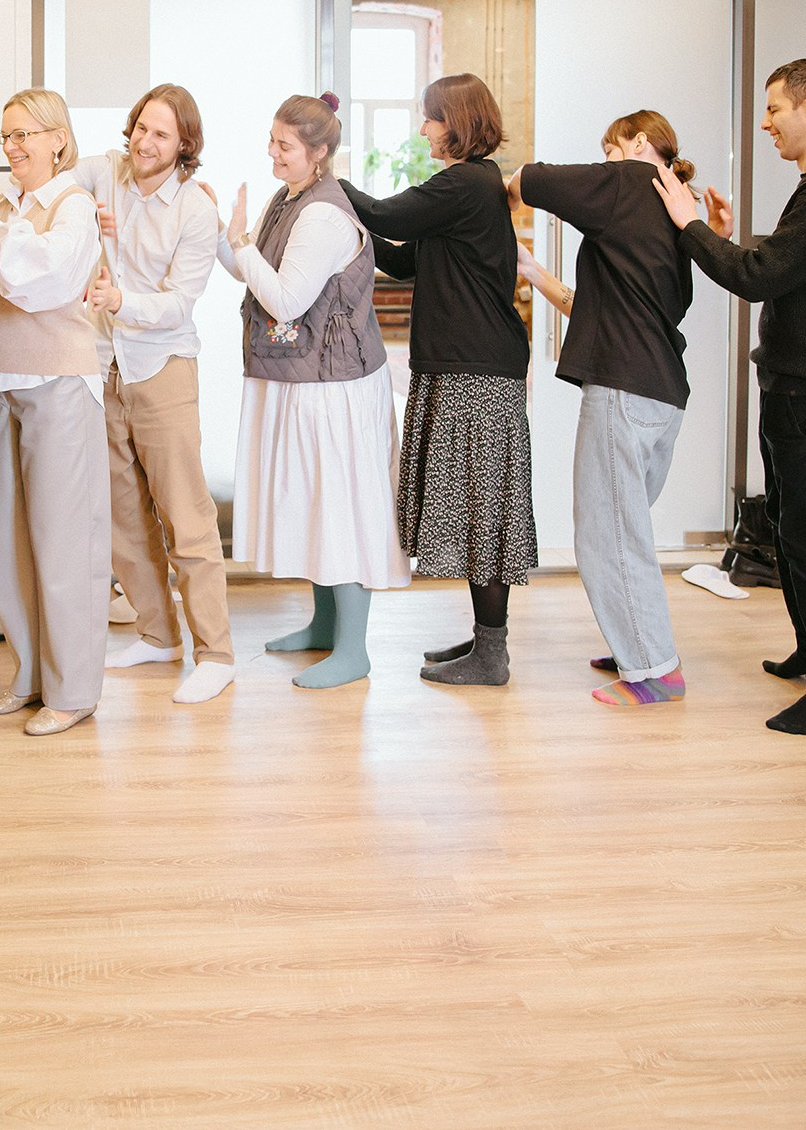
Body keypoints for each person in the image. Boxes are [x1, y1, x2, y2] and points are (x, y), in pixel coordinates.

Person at [651, 58, 806, 735]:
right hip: (796, 382)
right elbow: (789, 271)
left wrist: (690, 225)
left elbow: (759, 277)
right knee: (788, 523)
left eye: (775, 107)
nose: (766, 121)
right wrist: (723, 237)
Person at [341, 74, 537, 687]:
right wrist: (347, 233)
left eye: (429, 119)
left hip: (475, 371)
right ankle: (486, 642)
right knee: (479, 509)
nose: (423, 130)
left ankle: (492, 655)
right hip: (462, 365)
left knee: (483, 511)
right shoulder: (472, 191)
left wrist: (327, 184)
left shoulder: (466, 182)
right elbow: (403, 255)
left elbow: (382, 212)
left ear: (454, 120)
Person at [218, 93, 410, 688]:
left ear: (320, 153)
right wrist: (229, 239)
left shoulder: (324, 214)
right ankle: (325, 626)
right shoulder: (290, 198)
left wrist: (243, 246)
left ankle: (354, 649)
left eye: (285, 145)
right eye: (271, 139)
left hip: (334, 390)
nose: (272, 152)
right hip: (302, 379)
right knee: (314, 499)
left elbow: (285, 298)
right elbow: (262, 275)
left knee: (342, 507)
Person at [509, 111, 696, 707]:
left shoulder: (632, 182)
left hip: (622, 391)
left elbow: (535, 179)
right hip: (660, 394)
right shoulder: (673, 214)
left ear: (640, 145)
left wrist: (496, 185)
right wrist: (535, 273)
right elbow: (604, 306)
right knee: (623, 526)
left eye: (608, 148)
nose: (605, 161)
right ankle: (635, 644)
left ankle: (654, 670)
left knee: (608, 533)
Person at [74, 84, 237, 706]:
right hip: (105, 366)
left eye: (161, 134)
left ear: (183, 146)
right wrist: (84, 205)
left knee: (185, 517)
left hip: (163, 366)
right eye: (141, 127)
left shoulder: (195, 209)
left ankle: (216, 654)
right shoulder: (107, 172)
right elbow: (56, 178)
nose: (145, 142)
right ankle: (157, 633)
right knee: (123, 516)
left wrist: (121, 302)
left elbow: (178, 304)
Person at [0, 89, 110, 736]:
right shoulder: (0, 207)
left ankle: (74, 688)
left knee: (63, 542)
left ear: (59, 137)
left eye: (24, 133)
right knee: (8, 541)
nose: (13, 146)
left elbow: (38, 284)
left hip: (57, 382)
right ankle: (29, 673)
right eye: (5, 136)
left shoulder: (72, 206)